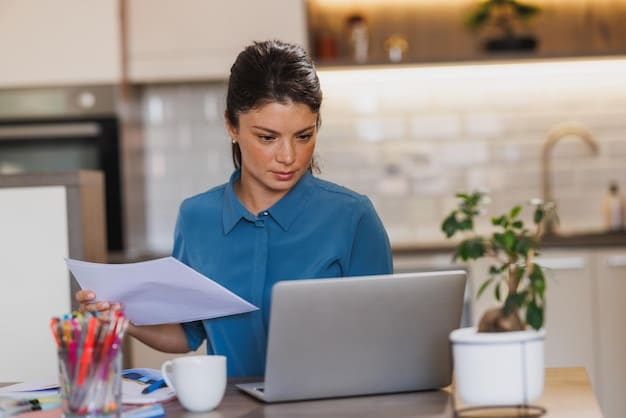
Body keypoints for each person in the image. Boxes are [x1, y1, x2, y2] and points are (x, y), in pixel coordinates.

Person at [77, 40, 393, 377]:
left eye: (303, 136)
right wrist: (121, 320)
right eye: (267, 137)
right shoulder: (196, 218)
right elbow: (188, 334)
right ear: (231, 126)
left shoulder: (353, 217)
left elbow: (385, 342)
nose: (289, 156)